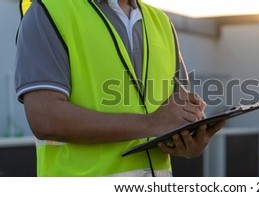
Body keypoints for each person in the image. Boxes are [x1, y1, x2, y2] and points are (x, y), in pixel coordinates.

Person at [15, 0, 226, 177]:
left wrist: (191, 140)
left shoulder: (161, 22)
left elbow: (176, 113)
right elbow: (46, 118)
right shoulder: (49, 11)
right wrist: (151, 123)